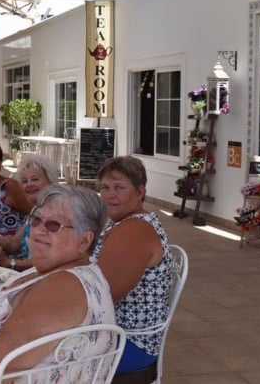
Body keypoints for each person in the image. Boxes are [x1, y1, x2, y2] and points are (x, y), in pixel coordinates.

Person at [0, 185, 116, 383]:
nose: (39, 230)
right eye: (36, 220)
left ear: (84, 241)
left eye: (53, 225)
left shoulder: (65, 287)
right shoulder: (49, 270)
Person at [91, 155, 173, 376]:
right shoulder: (123, 223)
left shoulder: (134, 230)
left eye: (119, 187)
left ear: (140, 192)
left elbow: (102, 297)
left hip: (129, 342)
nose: (110, 195)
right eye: (105, 187)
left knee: (39, 356)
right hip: (114, 331)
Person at [0, 153, 58, 271]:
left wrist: (10, 263)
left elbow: (51, 260)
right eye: (25, 181)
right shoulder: (36, 210)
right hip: (27, 273)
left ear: (50, 181)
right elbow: (13, 245)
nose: (29, 184)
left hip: (42, 276)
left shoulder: (56, 213)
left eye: (35, 179)